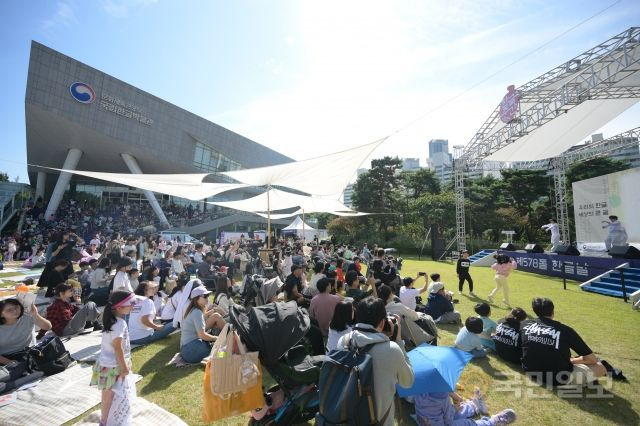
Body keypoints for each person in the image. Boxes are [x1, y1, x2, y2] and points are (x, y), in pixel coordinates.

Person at [337, 297, 414, 426]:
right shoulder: (392, 350)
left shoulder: (344, 341)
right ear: (382, 323)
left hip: (347, 417)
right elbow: (408, 382)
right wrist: (399, 340)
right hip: (380, 421)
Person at [521, 297, 607, 386]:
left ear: (535, 311)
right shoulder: (566, 330)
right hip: (558, 379)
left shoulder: (525, 324)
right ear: (552, 311)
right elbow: (591, 359)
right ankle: (581, 383)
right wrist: (572, 360)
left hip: (530, 370)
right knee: (600, 367)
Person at [90, 290, 137, 426]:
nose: (133, 306)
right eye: (131, 304)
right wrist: (124, 367)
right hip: (114, 366)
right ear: (119, 307)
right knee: (111, 395)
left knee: (108, 395)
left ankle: (106, 420)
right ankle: (107, 421)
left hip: (107, 365)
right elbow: (118, 348)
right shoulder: (119, 324)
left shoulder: (113, 321)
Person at [414, 388, 516, 426]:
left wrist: (455, 398)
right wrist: (454, 408)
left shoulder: (418, 390)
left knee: (455, 411)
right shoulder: (442, 398)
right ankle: (492, 422)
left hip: (423, 420)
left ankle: (474, 407)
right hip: (440, 423)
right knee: (467, 423)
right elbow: (448, 421)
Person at [179, 286, 226, 364]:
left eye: (208, 295)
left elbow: (199, 322)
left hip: (187, 350)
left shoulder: (193, 310)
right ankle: (232, 338)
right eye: (205, 296)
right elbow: (202, 335)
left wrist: (208, 313)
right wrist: (217, 338)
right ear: (197, 299)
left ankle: (230, 338)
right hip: (191, 351)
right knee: (220, 351)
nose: (207, 298)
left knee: (217, 348)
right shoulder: (197, 312)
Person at [128, 281, 176, 345]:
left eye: (155, 288)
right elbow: (145, 321)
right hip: (143, 337)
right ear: (145, 290)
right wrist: (157, 327)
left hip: (131, 337)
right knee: (175, 323)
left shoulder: (134, 299)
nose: (155, 290)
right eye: (152, 288)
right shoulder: (147, 301)